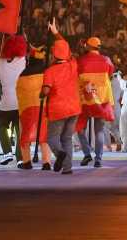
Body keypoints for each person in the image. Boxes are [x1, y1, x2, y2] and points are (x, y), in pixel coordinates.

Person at [41, 23, 80, 174]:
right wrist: (56, 32)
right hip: (74, 108)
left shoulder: (50, 71)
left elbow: (46, 90)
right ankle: (67, 168)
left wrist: (42, 94)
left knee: (52, 138)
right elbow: (65, 46)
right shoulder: (73, 65)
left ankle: (60, 155)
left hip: (58, 109)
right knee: (67, 138)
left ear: (54, 55)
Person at [75, 36, 114, 167]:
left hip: (85, 99)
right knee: (99, 130)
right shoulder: (106, 60)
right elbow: (110, 73)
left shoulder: (80, 61)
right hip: (102, 99)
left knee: (80, 128)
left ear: (88, 47)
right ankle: (98, 159)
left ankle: (87, 153)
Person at [16, 43, 53, 170]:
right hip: (42, 109)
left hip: (27, 109)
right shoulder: (46, 73)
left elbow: (19, 94)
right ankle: (46, 162)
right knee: (44, 136)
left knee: (25, 135)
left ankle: (26, 161)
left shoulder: (22, 75)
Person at [0, 34, 27, 165]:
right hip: (20, 102)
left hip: (6, 103)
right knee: (20, 131)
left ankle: (7, 152)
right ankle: (20, 158)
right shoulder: (23, 61)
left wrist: (2, 95)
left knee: (1, 125)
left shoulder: (0, 63)